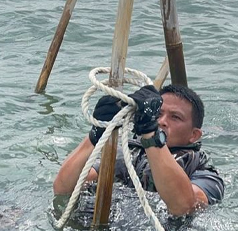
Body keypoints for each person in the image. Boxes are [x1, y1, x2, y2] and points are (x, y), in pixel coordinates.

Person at [53, 84, 224, 217]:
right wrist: (96, 135)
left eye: (175, 117)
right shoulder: (128, 154)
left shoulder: (204, 173)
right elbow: (63, 188)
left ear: (194, 135)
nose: (162, 121)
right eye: (158, 114)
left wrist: (151, 135)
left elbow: (184, 206)